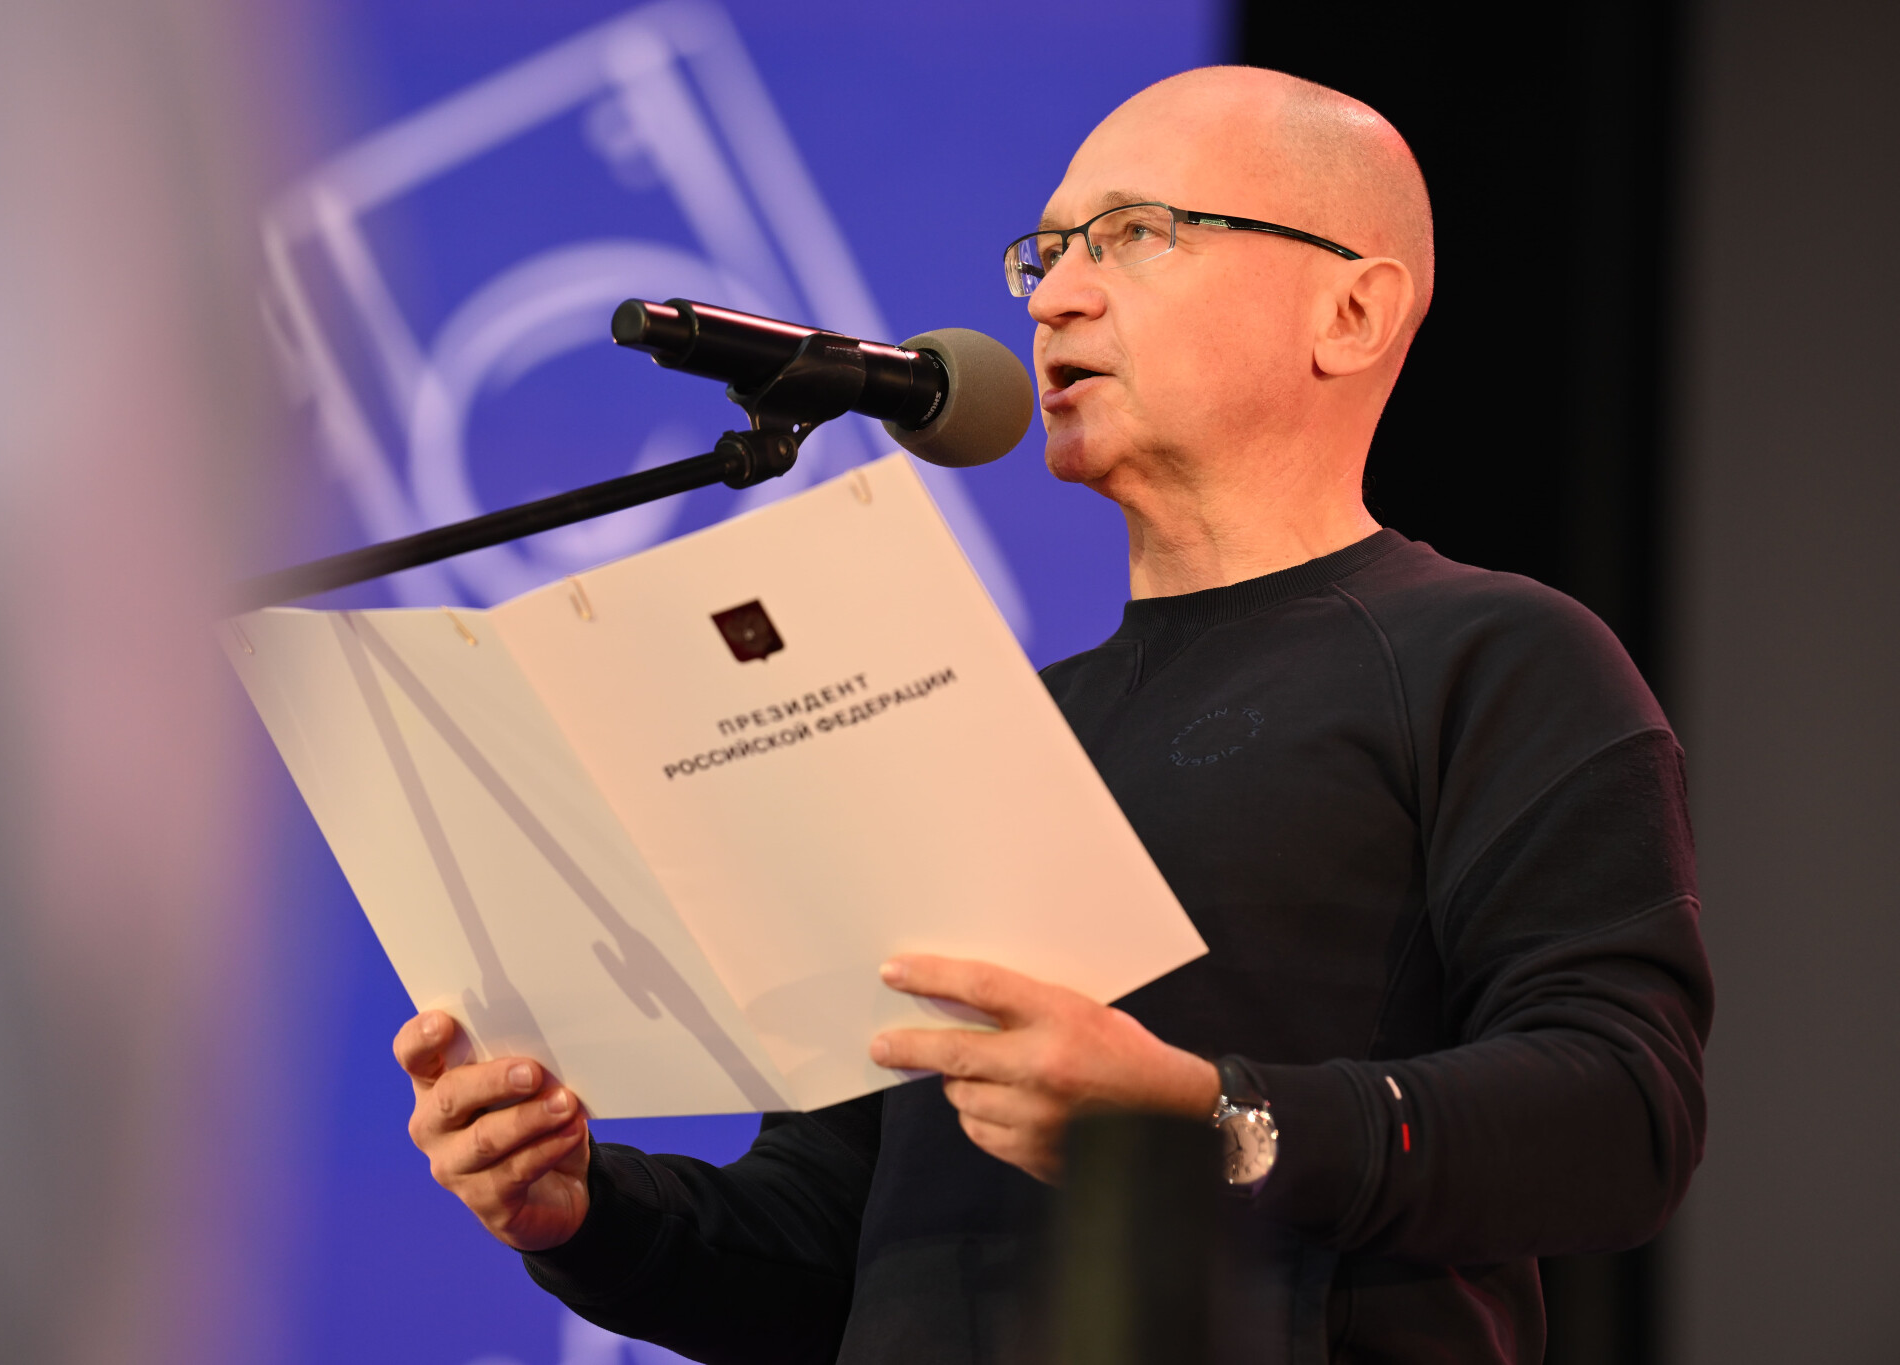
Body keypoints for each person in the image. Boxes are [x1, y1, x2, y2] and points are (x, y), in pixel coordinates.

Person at [391, 66, 1710, 1364]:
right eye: (1048, 251)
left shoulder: (1496, 659)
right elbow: (836, 1240)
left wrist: (1207, 1121)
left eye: (1135, 234)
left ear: (1351, 312)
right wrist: (583, 1209)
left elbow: (1623, 1119)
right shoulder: (973, 736)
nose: (1055, 296)